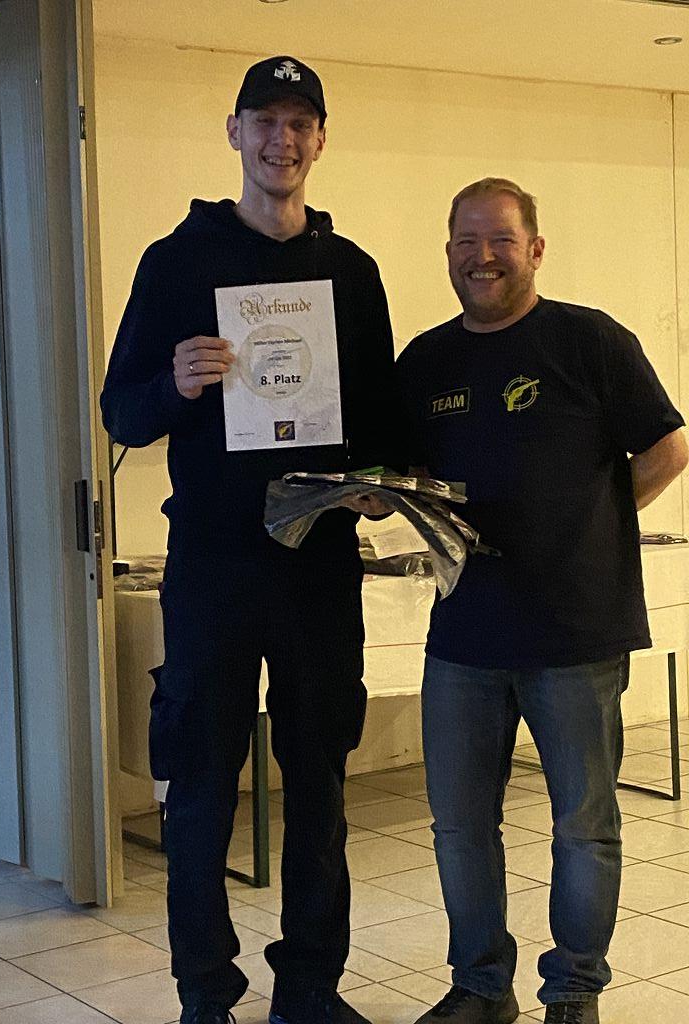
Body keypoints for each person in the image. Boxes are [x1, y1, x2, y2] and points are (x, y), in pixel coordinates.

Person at [101, 55, 396, 1024]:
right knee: (199, 792)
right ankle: (206, 995)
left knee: (320, 788)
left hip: (320, 571)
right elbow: (122, 411)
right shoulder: (175, 263)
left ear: (321, 139)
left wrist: (378, 487)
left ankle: (309, 990)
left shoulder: (352, 273)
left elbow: (380, 423)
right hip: (214, 570)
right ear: (235, 133)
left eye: (300, 122)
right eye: (265, 120)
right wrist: (175, 384)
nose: (283, 139)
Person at [395, 177, 688, 1024]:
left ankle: (573, 993)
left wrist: (597, 523)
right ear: (448, 252)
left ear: (535, 248)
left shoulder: (589, 341)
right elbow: (405, 472)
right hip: (464, 635)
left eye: (500, 239)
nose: (482, 257)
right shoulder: (426, 361)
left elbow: (668, 447)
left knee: (583, 826)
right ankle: (481, 988)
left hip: (577, 633)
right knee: (459, 828)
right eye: (466, 241)